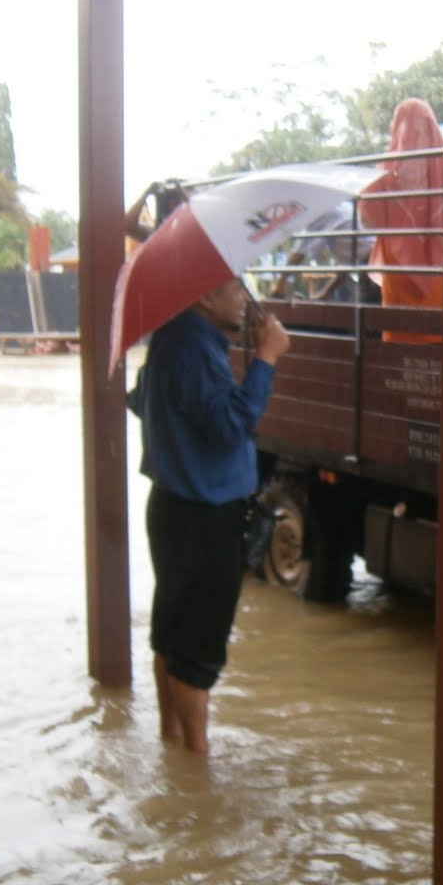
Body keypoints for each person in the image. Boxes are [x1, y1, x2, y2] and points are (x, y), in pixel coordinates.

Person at [129, 278, 290, 753]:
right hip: (205, 514)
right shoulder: (196, 348)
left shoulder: (170, 338)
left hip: (172, 505)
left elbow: (139, 400)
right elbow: (230, 426)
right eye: (235, 289)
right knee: (196, 645)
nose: (244, 299)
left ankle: (171, 740)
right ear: (204, 297)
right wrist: (267, 358)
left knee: (171, 631)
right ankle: (197, 764)